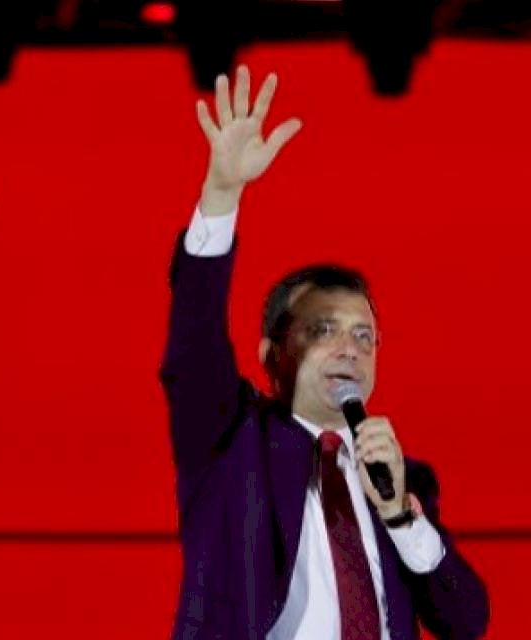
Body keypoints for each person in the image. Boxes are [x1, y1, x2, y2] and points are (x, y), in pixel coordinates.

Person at [160, 65, 490, 639]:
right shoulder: (231, 443)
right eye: (323, 330)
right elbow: (194, 340)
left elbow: (466, 621)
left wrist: (400, 515)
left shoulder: (400, 478)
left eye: (364, 336)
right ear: (272, 354)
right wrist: (222, 193)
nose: (349, 349)